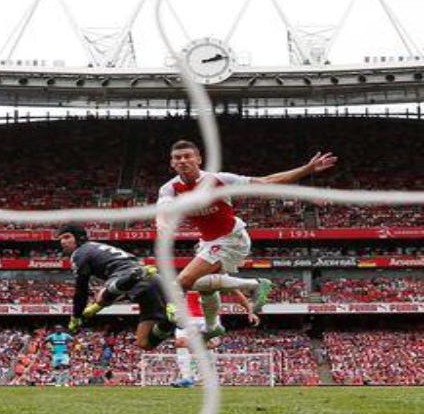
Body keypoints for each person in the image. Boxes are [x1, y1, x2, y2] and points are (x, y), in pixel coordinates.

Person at [157, 140, 336, 340]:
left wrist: (307, 169)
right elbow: (163, 208)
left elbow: (267, 181)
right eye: (177, 158)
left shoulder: (219, 180)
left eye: (187, 156)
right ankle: (213, 326)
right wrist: (161, 223)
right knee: (204, 286)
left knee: (182, 281)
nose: (182, 161)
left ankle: (176, 313)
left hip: (230, 238)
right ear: (172, 163)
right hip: (208, 241)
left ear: (198, 159)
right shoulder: (170, 188)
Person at [57, 224, 175, 351]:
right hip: (153, 279)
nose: (63, 242)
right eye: (61, 239)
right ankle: (169, 323)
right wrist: (93, 309)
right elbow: (118, 295)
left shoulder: (79, 253)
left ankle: (132, 277)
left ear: (79, 237)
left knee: (101, 297)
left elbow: (81, 289)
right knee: (144, 343)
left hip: (126, 273)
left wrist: (76, 316)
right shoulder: (97, 247)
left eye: (67, 237)